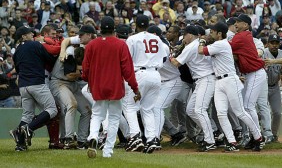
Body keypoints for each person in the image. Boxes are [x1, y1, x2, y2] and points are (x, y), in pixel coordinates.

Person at [198, 22, 264, 152]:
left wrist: (201, 41)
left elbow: (201, 51)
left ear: (219, 33)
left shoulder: (221, 44)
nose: (210, 34)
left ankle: (258, 137)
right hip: (220, 80)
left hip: (229, 80)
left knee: (240, 111)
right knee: (222, 113)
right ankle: (232, 142)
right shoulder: (219, 44)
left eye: (212, 32)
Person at [82, 16, 139, 158]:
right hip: (115, 86)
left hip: (98, 85)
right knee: (114, 118)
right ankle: (107, 151)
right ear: (114, 29)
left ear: (100, 29)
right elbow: (128, 70)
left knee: (96, 115)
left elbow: (85, 69)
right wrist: (135, 88)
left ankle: (93, 136)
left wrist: (89, 81)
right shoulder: (120, 44)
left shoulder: (91, 45)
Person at [10, 26, 57, 151]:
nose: (32, 34)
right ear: (23, 36)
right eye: (29, 33)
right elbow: (50, 59)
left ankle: (20, 144)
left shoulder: (17, 50)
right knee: (52, 109)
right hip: (37, 83)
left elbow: (18, 69)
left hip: (23, 86)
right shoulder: (35, 45)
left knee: (27, 116)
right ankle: (28, 129)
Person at [124, 15, 166, 154]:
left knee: (130, 107)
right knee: (147, 109)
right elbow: (163, 58)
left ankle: (135, 136)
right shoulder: (157, 38)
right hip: (156, 75)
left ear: (136, 25)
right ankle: (152, 138)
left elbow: (127, 60)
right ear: (148, 25)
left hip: (140, 74)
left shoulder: (132, 39)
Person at [170, 25, 216, 152]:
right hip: (202, 80)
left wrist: (170, 54)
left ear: (190, 35)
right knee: (191, 110)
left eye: (184, 35)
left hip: (206, 79)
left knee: (199, 110)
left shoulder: (191, 46)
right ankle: (211, 133)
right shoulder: (196, 44)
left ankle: (210, 140)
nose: (183, 38)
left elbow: (176, 63)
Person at [229, 14, 266, 149]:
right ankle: (254, 136)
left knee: (248, 106)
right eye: (235, 21)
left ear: (246, 25)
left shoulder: (242, 35)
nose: (236, 24)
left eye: (239, 22)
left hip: (255, 73)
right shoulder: (243, 36)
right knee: (246, 107)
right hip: (250, 74)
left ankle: (258, 138)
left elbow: (226, 48)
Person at [263, 34, 282, 143]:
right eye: (272, 43)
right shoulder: (263, 52)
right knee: (262, 112)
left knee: (277, 113)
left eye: (276, 43)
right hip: (263, 87)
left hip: (275, 86)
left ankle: (274, 135)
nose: (274, 45)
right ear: (268, 44)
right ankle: (262, 134)